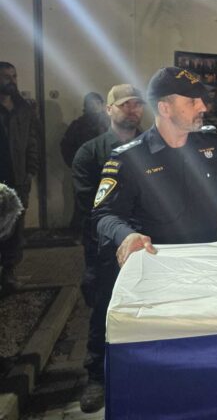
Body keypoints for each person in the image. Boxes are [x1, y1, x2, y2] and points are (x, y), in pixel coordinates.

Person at [93, 67, 217, 265]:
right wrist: (126, 235)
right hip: (158, 260)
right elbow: (105, 214)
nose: (203, 107)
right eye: (192, 101)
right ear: (165, 109)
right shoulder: (130, 158)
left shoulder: (214, 145)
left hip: (209, 259)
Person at [72, 84, 145, 413]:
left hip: (146, 245)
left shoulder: (153, 146)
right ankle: (97, 377)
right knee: (103, 308)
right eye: (125, 104)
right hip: (104, 248)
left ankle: (140, 370)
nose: (132, 109)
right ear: (109, 109)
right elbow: (91, 205)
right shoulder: (90, 153)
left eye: (137, 104)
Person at [0, 61, 39, 293]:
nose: (12, 81)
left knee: (15, 228)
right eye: (6, 77)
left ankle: (9, 273)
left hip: (18, 180)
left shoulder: (24, 109)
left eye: (14, 76)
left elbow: (32, 141)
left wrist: (30, 171)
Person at [60, 92, 110, 167]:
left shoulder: (111, 123)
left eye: (97, 103)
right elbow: (66, 146)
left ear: (102, 105)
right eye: (91, 103)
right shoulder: (77, 125)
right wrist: (76, 164)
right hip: (85, 168)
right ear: (86, 106)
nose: (94, 106)